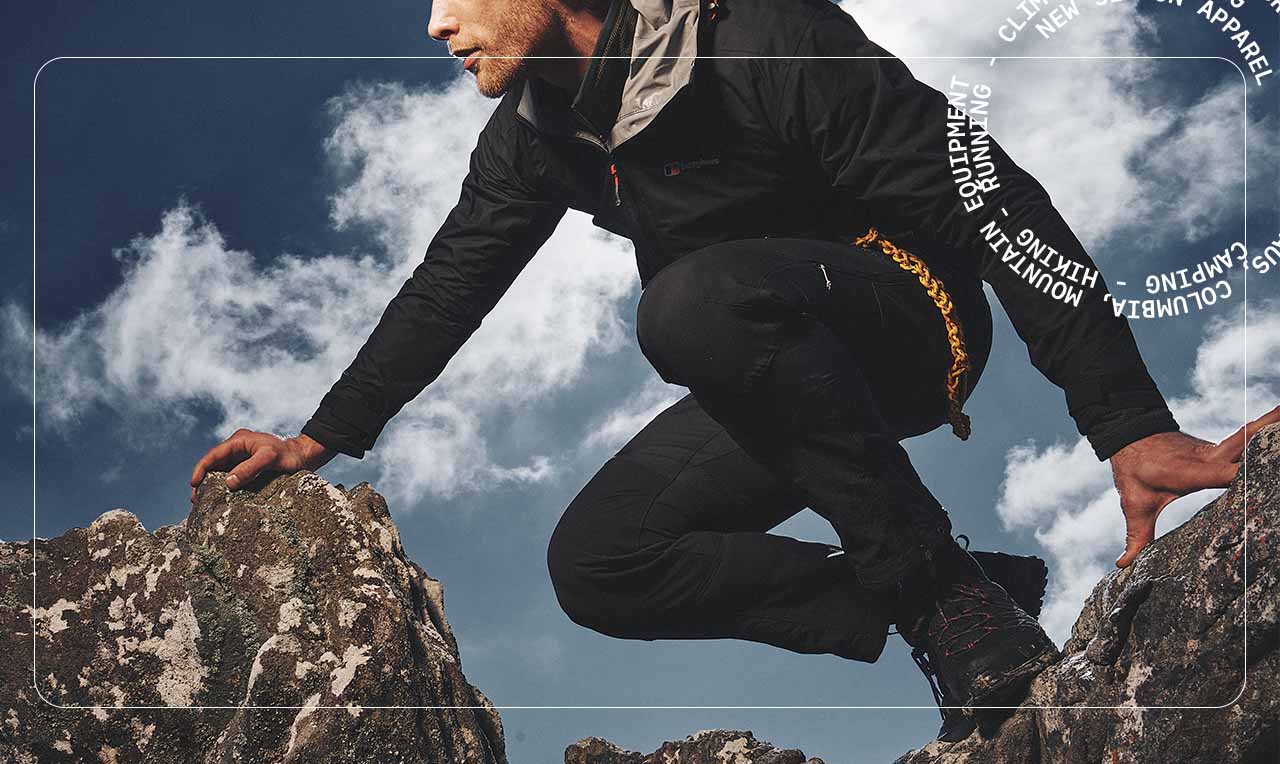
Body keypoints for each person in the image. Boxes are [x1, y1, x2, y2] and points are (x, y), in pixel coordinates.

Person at [189, 0, 1278, 741]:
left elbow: (990, 198)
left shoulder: (758, 33)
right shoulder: (534, 131)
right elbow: (448, 286)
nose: (436, 23)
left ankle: (940, 597)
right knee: (602, 562)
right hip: (760, 356)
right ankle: (958, 585)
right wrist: (317, 436)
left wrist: (1127, 421)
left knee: (686, 303)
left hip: (911, 314)